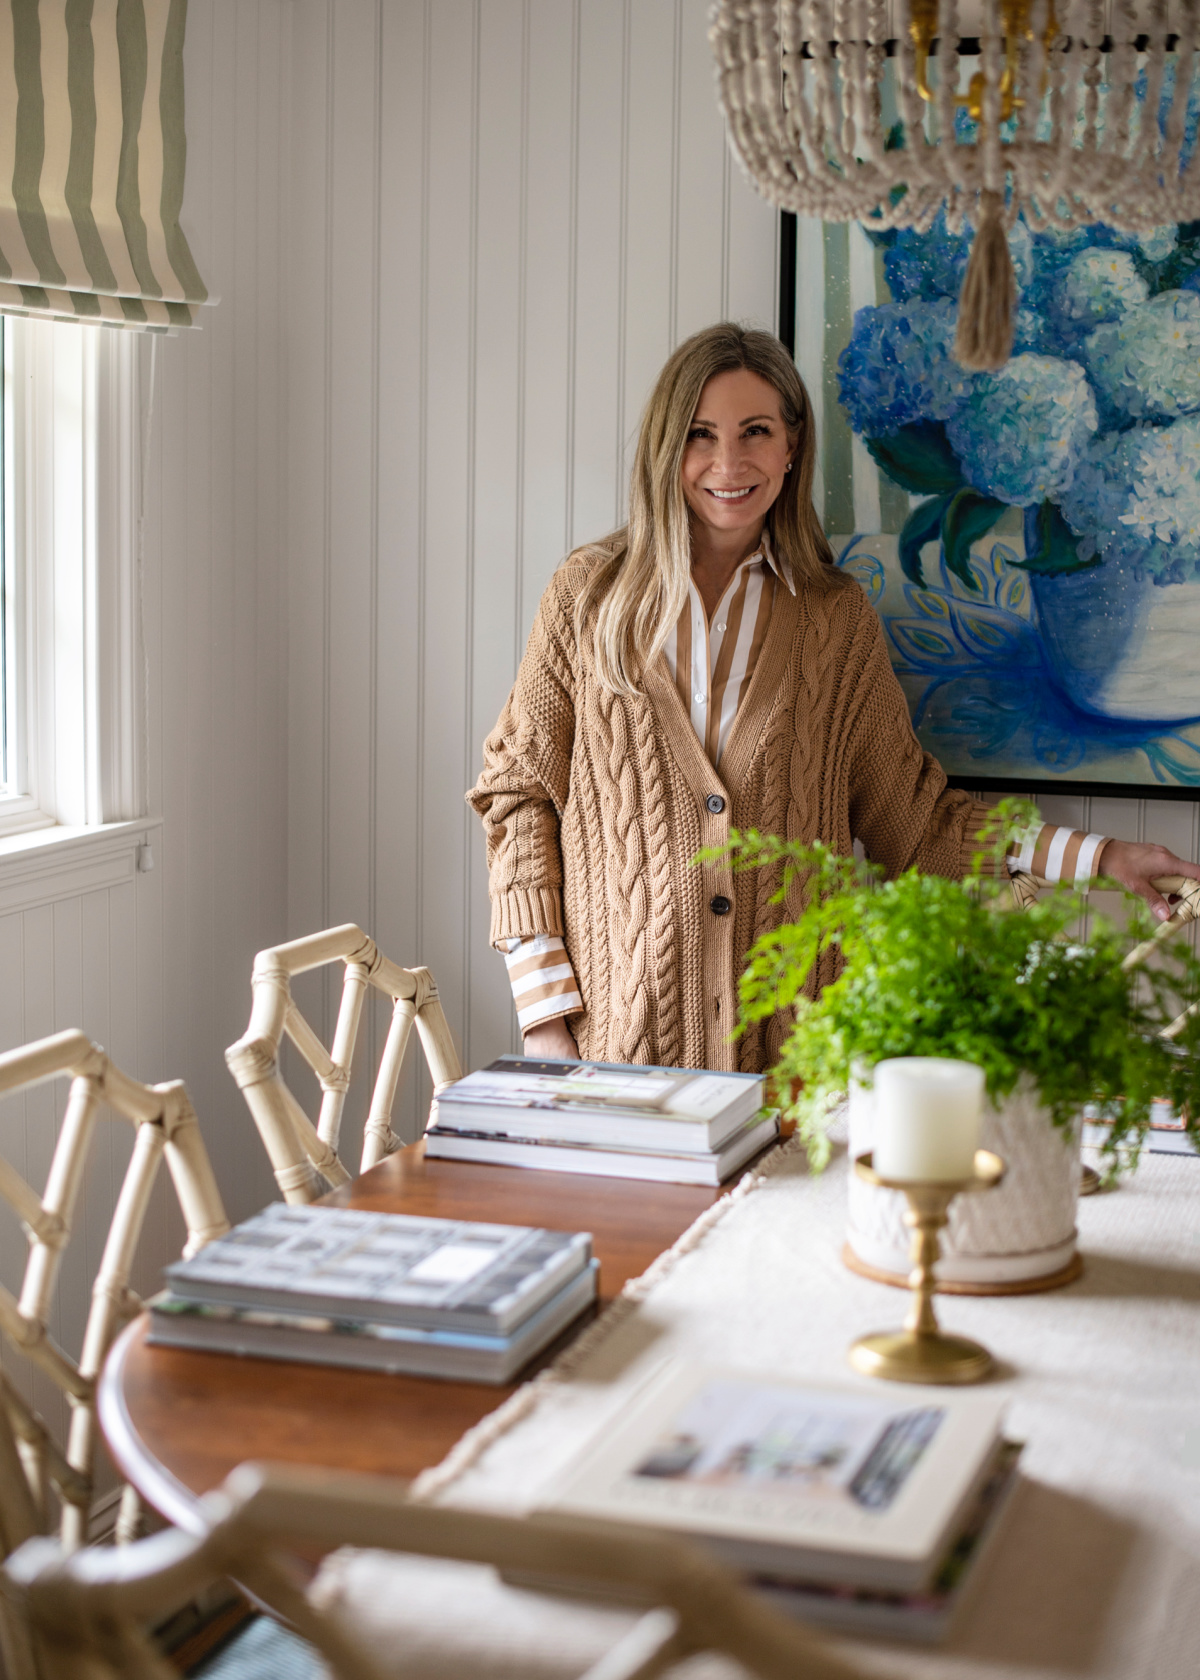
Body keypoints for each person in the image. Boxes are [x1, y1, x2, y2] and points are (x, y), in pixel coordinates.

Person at [467, 323, 1200, 1074]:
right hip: (615, 1063)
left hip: (796, 1075)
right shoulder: (588, 599)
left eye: (755, 431)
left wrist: (1102, 856)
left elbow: (916, 825)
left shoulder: (834, 619)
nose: (728, 462)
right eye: (699, 435)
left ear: (791, 447)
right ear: (666, 449)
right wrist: (545, 1020)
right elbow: (517, 796)